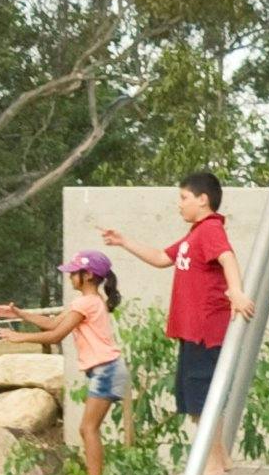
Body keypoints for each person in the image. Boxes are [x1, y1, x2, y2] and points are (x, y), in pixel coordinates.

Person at [106, 170, 254, 427]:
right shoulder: (194, 234)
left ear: (202, 200)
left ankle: (213, 464)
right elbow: (161, 258)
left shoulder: (210, 228)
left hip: (204, 331)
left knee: (203, 401)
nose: (179, 204)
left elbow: (227, 256)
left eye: (184, 197)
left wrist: (237, 293)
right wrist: (124, 242)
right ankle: (217, 461)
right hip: (191, 331)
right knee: (195, 402)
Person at [0, 251, 127, 475]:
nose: (70, 277)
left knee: (87, 429)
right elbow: (52, 323)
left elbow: (57, 335)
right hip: (107, 369)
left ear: (87, 275)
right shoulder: (90, 301)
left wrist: (20, 337)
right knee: (88, 428)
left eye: (73, 273)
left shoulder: (85, 303)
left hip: (106, 369)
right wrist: (20, 313)